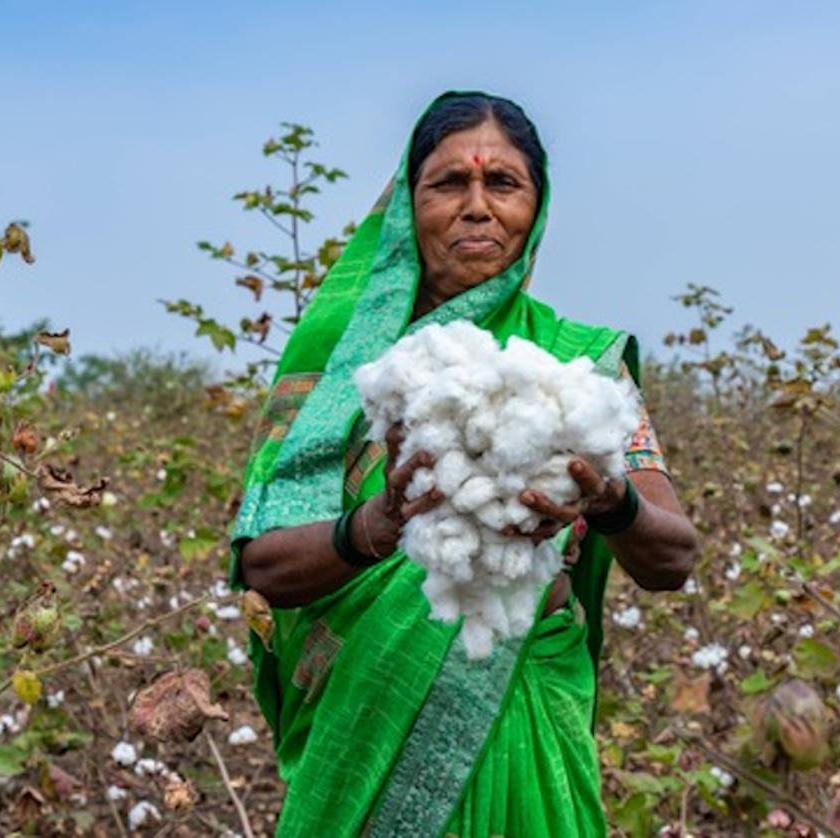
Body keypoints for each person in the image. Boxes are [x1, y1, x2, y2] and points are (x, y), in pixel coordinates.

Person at [232, 90, 699, 837]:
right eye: (449, 183)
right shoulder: (343, 371)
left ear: (536, 208)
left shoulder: (580, 371)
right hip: (368, 705)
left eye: (502, 183)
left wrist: (609, 502)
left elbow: (672, 558)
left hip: (524, 703)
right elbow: (264, 567)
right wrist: (376, 525)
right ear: (408, 207)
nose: (476, 207)